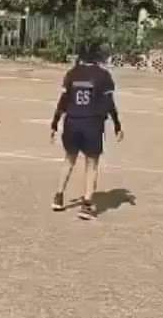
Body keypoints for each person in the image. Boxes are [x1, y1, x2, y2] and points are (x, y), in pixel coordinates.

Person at [50, 43, 123, 220]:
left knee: (69, 159)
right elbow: (109, 103)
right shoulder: (104, 75)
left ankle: (59, 196)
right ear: (98, 58)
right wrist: (117, 125)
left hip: (72, 120)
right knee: (91, 163)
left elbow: (63, 100)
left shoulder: (73, 73)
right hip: (92, 122)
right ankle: (87, 204)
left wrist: (54, 123)